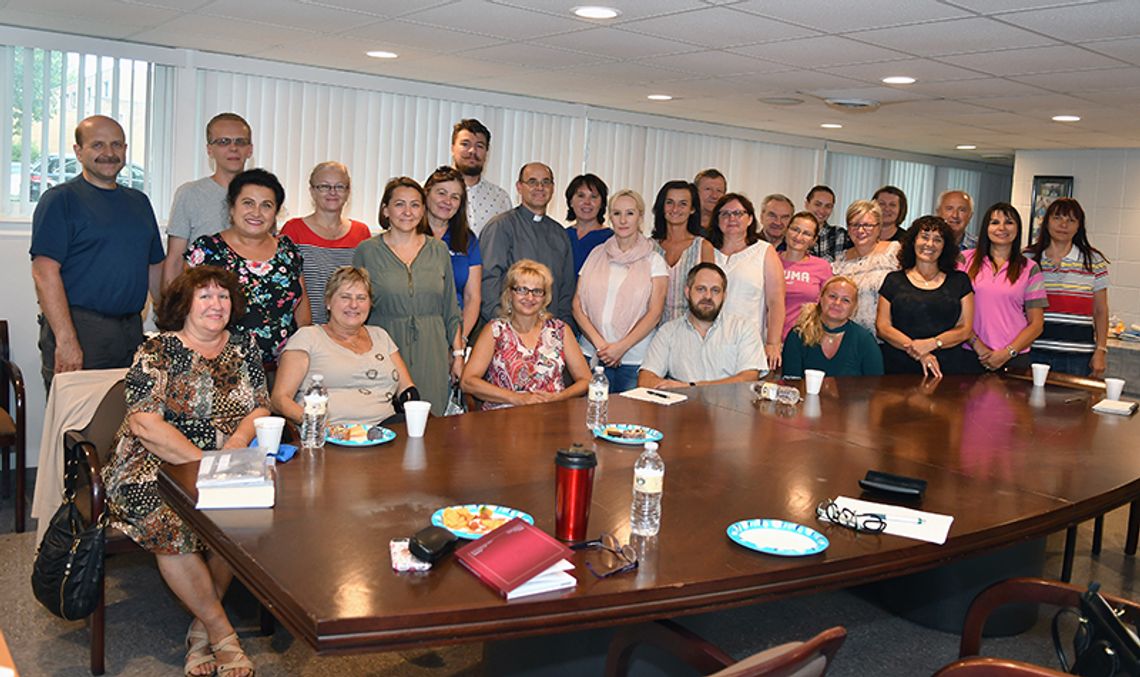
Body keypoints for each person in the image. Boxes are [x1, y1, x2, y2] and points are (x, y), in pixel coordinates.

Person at [102, 265, 265, 677]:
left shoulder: (245, 345)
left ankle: (199, 633)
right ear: (185, 304)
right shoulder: (156, 350)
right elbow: (144, 424)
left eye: (223, 296)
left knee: (240, 516)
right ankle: (222, 633)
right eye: (205, 295)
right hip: (152, 460)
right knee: (172, 520)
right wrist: (206, 463)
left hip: (225, 454)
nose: (216, 304)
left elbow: (260, 406)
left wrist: (231, 449)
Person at [30, 115, 165, 389]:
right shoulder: (60, 200)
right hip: (81, 329)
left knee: (128, 422)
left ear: (125, 149)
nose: (109, 153)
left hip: (130, 331)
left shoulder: (139, 202)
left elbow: (155, 269)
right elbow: (44, 273)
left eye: (116, 145)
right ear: (78, 151)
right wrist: (66, 340)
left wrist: (173, 324)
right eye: (98, 145)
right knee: (75, 425)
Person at [353, 176, 464, 416]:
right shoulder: (367, 251)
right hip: (384, 347)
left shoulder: (438, 250)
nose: (407, 212)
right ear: (386, 209)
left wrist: (457, 354)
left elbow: (450, 308)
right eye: (399, 204)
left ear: (423, 210)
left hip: (432, 350)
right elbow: (355, 308)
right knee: (384, 424)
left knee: (432, 427)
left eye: (415, 205)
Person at [186, 168, 311, 365]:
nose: (256, 213)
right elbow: (186, 309)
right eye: (248, 203)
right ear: (232, 207)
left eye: (266, 205)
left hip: (283, 370)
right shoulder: (207, 251)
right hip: (223, 370)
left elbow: (302, 305)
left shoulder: (288, 251)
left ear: (276, 212)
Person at [272, 266, 417, 426]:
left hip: (386, 432)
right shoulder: (308, 337)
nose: (354, 305)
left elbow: (407, 389)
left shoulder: (380, 335)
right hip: (331, 434)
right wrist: (316, 424)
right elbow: (279, 400)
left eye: (361, 298)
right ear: (328, 302)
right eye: (345, 297)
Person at [462, 260, 590, 409]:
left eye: (537, 291)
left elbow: (586, 380)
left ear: (545, 297)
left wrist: (560, 397)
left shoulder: (560, 330)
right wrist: (516, 398)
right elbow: (467, 382)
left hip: (552, 414)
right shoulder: (495, 331)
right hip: (503, 416)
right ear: (510, 294)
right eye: (522, 290)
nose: (530, 298)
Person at [573, 189, 668, 392]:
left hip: (634, 360)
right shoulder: (596, 254)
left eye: (630, 213)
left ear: (640, 217)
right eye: (617, 213)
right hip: (592, 354)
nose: (623, 220)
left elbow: (655, 313)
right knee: (590, 419)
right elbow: (577, 305)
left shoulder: (655, 261)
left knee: (628, 421)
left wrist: (620, 347)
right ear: (610, 217)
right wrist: (601, 346)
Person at [161, 113, 253, 289]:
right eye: (224, 142)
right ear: (209, 150)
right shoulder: (189, 194)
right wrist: (170, 309)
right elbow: (174, 260)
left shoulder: (261, 197)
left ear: (250, 149)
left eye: (240, 142)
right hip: (203, 301)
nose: (233, 148)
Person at [638, 262, 765, 388]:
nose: (708, 296)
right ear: (687, 292)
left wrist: (691, 387)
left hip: (730, 406)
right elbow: (645, 380)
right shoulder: (668, 332)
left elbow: (748, 379)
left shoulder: (744, 329)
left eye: (715, 290)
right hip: (682, 406)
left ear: (724, 296)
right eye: (701, 289)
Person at [480, 162, 576, 328]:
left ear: (553, 188)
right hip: (507, 331)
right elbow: (488, 283)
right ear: (519, 187)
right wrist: (506, 326)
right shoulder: (501, 227)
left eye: (546, 182)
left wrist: (561, 330)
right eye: (532, 182)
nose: (540, 187)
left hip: (548, 334)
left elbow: (566, 290)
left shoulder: (560, 234)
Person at [876, 216, 975, 377]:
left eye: (937, 240)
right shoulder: (893, 280)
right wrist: (919, 351)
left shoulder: (960, 281)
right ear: (913, 241)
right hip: (898, 369)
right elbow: (883, 328)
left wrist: (932, 343)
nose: (930, 244)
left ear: (945, 247)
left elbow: (965, 328)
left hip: (947, 370)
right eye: (924, 237)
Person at [1025, 197, 1110, 377]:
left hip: (1077, 355)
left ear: (1079, 226)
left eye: (1071, 220)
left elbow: (1101, 310)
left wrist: (1101, 350)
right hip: (1033, 350)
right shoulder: (1029, 257)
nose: (1064, 225)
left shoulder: (1093, 261)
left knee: (1074, 404)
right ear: (1046, 222)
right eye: (1057, 218)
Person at [279, 161, 371, 324]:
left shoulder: (361, 232)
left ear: (348, 192)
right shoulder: (293, 230)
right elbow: (284, 287)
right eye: (324, 186)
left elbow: (364, 288)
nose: (332, 192)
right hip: (304, 329)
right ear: (312, 191)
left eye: (339, 186)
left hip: (346, 329)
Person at [961, 203, 1047, 372]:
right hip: (969, 353)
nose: (1002, 228)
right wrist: (978, 347)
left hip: (1014, 358)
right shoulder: (964, 260)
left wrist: (1007, 353)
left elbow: (1036, 324)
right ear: (986, 227)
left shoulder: (1030, 268)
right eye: (994, 222)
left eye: (1009, 222)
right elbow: (955, 312)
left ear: (1017, 228)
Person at [708, 193, 786, 369]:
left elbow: (776, 302)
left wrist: (773, 343)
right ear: (717, 219)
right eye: (725, 214)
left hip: (748, 345)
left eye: (738, 213)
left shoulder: (764, 251)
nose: (732, 218)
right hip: (707, 344)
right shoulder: (706, 250)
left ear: (750, 219)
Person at [782, 275, 883, 378]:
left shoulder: (864, 340)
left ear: (854, 307)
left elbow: (875, 386)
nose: (837, 303)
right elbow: (791, 382)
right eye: (832, 296)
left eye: (846, 300)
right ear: (820, 298)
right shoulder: (798, 334)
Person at [424, 165, 482, 341]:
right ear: (426, 193)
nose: (447, 201)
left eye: (455, 197)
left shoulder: (468, 240)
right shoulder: (409, 234)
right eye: (441, 193)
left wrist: (460, 341)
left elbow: (473, 297)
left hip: (454, 330)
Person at [831, 200, 900, 334]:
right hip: (848, 337)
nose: (860, 230)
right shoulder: (840, 261)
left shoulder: (894, 252)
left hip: (887, 339)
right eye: (855, 225)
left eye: (868, 225)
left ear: (878, 227)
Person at [651, 180, 715, 324]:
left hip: (691, 331)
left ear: (692, 209)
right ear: (662, 207)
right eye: (669, 202)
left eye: (683, 204)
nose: (675, 209)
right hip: (651, 333)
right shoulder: (648, 246)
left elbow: (709, 296)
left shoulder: (703, 247)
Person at [451, 118, 512, 236]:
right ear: (452, 148)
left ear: (486, 152)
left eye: (479, 146)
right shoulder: (429, 191)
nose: (472, 151)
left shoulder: (501, 199)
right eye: (465, 144)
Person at [779, 212, 833, 340]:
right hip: (768, 338)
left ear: (814, 241)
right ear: (786, 231)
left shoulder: (822, 267)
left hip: (805, 339)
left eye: (807, 234)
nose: (799, 236)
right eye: (795, 229)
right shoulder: (769, 260)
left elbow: (827, 306)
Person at [565, 173, 612, 274]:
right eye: (581, 196)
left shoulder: (611, 239)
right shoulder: (561, 236)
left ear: (602, 204)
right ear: (571, 202)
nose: (587, 202)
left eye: (593, 197)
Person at [805, 185, 849, 261]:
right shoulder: (794, 232)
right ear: (806, 204)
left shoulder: (839, 234)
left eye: (828, 206)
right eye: (817, 204)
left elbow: (841, 266)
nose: (822, 210)